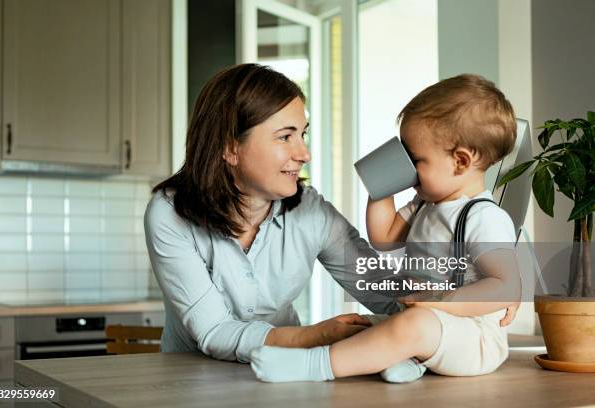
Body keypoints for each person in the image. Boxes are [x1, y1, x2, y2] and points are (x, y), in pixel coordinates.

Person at [144, 63, 429, 380]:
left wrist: (479, 299)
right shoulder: (169, 213)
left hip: (284, 377)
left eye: (302, 134)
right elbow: (213, 332)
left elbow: (385, 294)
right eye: (285, 137)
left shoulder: (311, 212)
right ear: (229, 147)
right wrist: (316, 337)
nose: (304, 153)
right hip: (189, 380)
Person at [250, 74, 522, 383]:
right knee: (360, 327)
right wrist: (383, 185)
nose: (407, 167)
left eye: (414, 159)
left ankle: (313, 367)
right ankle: (407, 361)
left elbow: (507, 286)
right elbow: (383, 237)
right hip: (427, 322)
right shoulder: (425, 204)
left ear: (460, 161)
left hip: (472, 338)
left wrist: (439, 301)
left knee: (412, 326)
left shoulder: (483, 216)